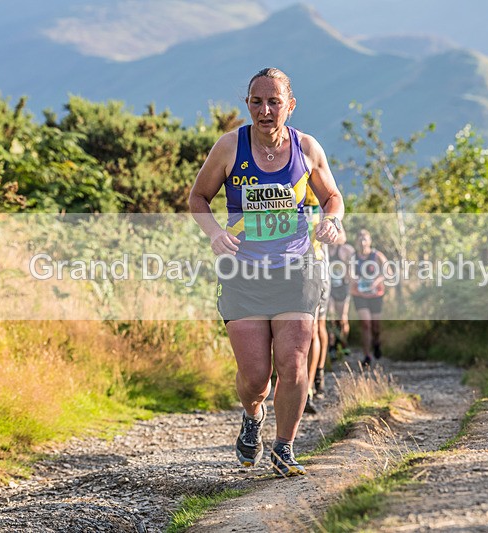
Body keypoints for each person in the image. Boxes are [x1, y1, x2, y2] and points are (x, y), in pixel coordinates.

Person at [189, 67, 344, 477]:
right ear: (248, 105)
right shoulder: (228, 147)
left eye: (274, 101)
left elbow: (333, 197)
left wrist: (332, 220)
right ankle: (253, 417)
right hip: (244, 273)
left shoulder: (307, 148)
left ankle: (285, 447)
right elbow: (198, 198)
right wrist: (215, 233)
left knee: (293, 365)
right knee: (256, 376)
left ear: (289, 106)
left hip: (297, 268)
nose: (265, 110)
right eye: (257, 101)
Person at [303, 186, 333, 412]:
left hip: (317, 265)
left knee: (313, 329)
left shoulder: (319, 185)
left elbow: (339, 231)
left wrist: (331, 227)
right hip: (283, 265)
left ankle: (309, 386)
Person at [350, 229, 388, 367]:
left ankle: (376, 343)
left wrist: (376, 281)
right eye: (359, 239)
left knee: (375, 326)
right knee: (365, 324)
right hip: (359, 294)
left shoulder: (377, 255)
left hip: (376, 294)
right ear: (356, 242)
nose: (362, 242)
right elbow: (349, 273)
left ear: (370, 241)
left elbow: (388, 271)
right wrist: (353, 279)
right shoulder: (353, 257)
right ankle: (367, 355)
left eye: (365, 239)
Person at [327, 236, 354, 361]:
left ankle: (343, 344)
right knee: (331, 318)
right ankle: (332, 346)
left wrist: (350, 275)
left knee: (342, 318)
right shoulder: (324, 249)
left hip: (343, 288)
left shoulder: (344, 250)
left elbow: (355, 260)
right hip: (330, 289)